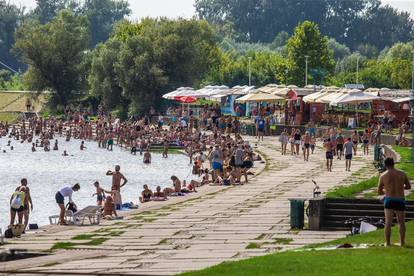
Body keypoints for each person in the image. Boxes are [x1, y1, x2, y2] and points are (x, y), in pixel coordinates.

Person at [377, 158, 411, 247]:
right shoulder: (402, 173)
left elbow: (379, 191)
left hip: (389, 199)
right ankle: (402, 243)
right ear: (393, 164)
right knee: (401, 223)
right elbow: (408, 186)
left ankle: (388, 243)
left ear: (385, 165)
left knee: (388, 222)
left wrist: (387, 190)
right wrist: (400, 187)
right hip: (400, 199)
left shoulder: (383, 175)